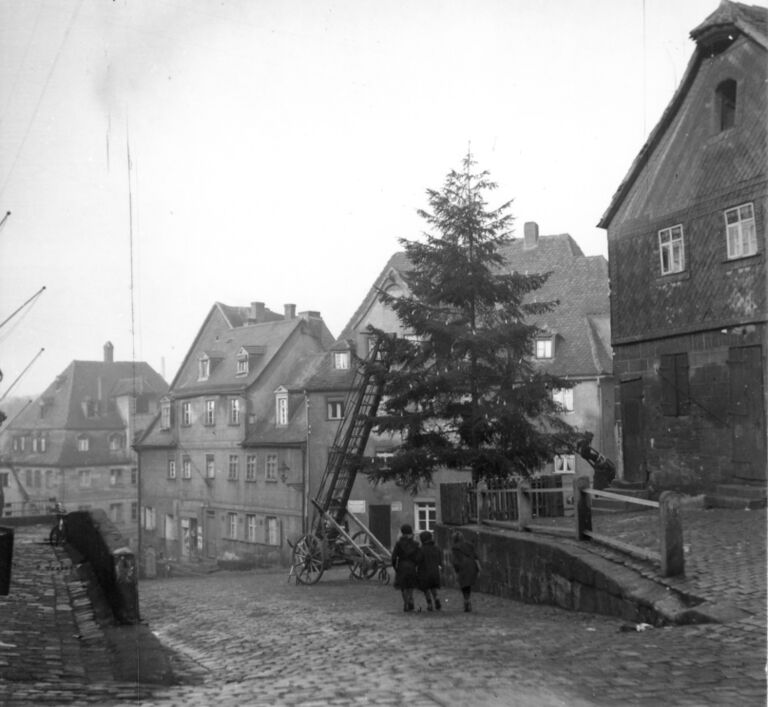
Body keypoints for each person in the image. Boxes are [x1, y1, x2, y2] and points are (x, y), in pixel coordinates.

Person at [391, 524, 421, 612]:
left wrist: (395, 567)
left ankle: (406, 602)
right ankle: (411, 599)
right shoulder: (415, 544)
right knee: (410, 585)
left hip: (401, 566)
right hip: (412, 566)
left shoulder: (399, 544)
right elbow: (418, 557)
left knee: (403, 586)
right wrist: (416, 564)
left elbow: (393, 557)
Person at [451, 530, 480, 612]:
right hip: (471, 566)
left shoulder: (455, 548)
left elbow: (455, 560)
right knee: (468, 584)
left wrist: (456, 571)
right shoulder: (469, 545)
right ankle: (467, 600)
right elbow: (475, 556)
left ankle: (466, 600)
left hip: (462, 567)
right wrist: (478, 568)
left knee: (463, 584)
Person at [417, 530, 442, 611]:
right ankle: (437, 598)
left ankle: (430, 604)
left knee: (426, 589)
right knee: (433, 587)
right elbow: (440, 560)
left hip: (424, 572)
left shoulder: (421, 549)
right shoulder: (436, 548)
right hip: (435, 572)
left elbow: (418, 560)